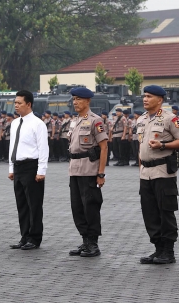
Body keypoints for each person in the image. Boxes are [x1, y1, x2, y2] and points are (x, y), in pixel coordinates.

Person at [137, 85, 179, 265]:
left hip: (163, 172)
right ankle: (158, 249)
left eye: (149, 96)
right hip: (146, 173)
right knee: (149, 213)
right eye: (144, 96)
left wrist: (163, 146)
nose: (145, 99)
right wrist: (140, 169)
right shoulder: (141, 119)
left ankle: (168, 251)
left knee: (165, 212)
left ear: (159, 100)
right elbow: (140, 147)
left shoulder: (170, 119)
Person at [67, 87, 108, 257]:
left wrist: (101, 173)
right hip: (75, 169)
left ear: (88, 101)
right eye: (74, 99)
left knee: (90, 207)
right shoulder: (75, 120)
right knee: (77, 207)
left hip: (89, 170)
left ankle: (93, 243)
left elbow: (104, 147)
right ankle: (85, 240)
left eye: (79, 99)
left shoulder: (95, 121)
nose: (75, 102)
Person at [8, 90, 49, 250]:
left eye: (19, 103)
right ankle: (24, 236)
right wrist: (11, 167)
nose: (16, 105)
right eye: (15, 103)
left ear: (29, 104)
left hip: (32, 166)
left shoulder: (38, 124)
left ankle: (35, 237)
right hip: (18, 167)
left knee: (34, 205)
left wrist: (41, 171)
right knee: (22, 204)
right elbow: (13, 147)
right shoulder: (14, 123)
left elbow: (43, 149)